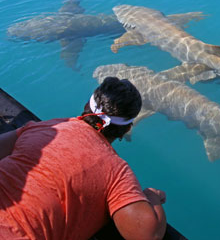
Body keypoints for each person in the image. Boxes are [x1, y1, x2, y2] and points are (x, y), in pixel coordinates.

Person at [0, 77, 167, 239]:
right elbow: (148, 235)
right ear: (127, 128)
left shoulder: (47, 127)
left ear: (87, 106)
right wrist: (152, 196)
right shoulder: (116, 172)